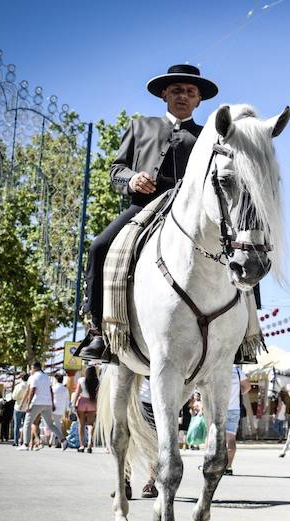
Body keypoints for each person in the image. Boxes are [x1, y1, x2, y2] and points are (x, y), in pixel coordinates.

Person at [75, 64, 218, 361]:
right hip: (143, 207)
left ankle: (244, 336)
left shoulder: (207, 137)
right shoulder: (139, 126)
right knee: (100, 246)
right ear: (164, 94)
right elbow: (115, 171)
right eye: (177, 90)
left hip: (189, 213)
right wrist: (132, 179)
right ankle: (98, 332)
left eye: (190, 92)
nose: (183, 96)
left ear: (198, 101)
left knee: (239, 247)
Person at [19, 362, 64, 451]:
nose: (30, 370)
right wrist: (52, 403)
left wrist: (28, 404)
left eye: (31, 368)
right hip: (47, 404)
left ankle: (25, 444)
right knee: (50, 424)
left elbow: (32, 390)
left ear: (34, 368)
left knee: (27, 423)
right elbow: (50, 391)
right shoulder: (46, 377)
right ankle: (63, 439)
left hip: (37, 403)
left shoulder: (34, 377)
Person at [225, 365, 251, 475]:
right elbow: (248, 387)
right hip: (234, 409)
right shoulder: (237, 371)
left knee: (212, 437)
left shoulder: (217, 366)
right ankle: (228, 467)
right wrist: (237, 395)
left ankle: (210, 464)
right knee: (231, 438)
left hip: (219, 408)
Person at [73, 366, 98, 454]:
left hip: (82, 402)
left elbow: (77, 393)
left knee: (81, 425)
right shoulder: (97, 381)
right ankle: (90, 444)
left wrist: (73, 404)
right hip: (92, 402)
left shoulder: (81, 380)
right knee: (91, 424)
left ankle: (82, 445)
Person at [11, 373, 30, 446]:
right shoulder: (30, 386)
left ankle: (16, 441)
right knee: (26, 425)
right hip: (27, 408)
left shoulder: (18, 386)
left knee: (17, 425)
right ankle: (24, 441)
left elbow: (14, 397)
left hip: (18, 407)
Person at [51, 374, 71, 445]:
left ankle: (60, 441)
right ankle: (53, 441)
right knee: (56, 424)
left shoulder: (53, 388)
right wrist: (68, 410)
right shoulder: (65, 389)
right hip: (62, 409)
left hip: (54, 408)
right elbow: (67, 400)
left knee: (56, 425)